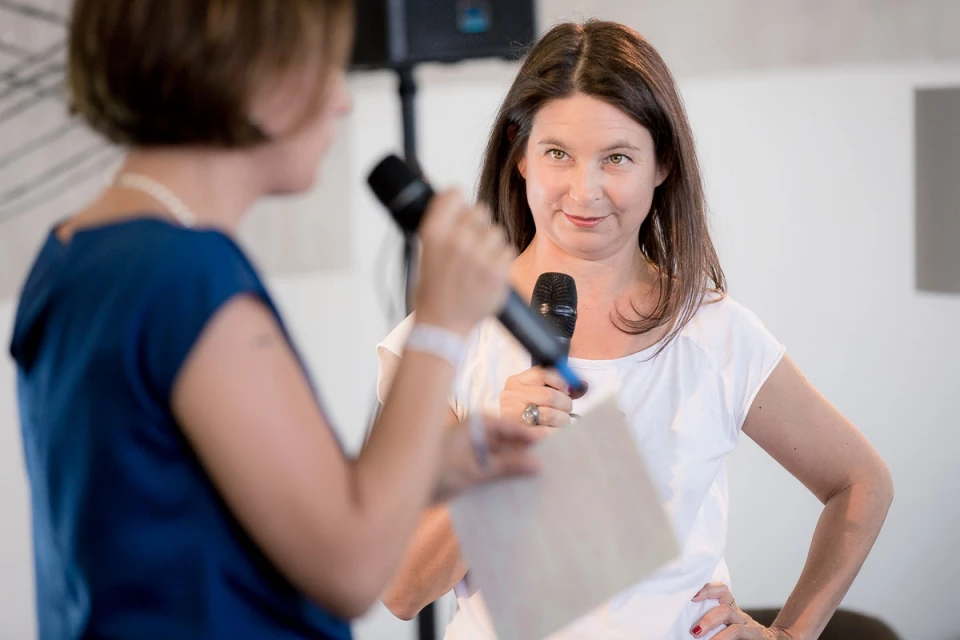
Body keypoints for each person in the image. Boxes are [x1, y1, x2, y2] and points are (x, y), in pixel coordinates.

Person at [7, 2, 544, 639]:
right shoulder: (186, 278)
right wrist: (439, 323)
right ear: (251, 76)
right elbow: (351, 566)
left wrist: (426, 469)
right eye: (325, 68)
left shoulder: (80, 249)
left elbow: (183, 504)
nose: (342, 103)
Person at [375, 20, 894, 640]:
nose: (584, 190)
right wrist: (496, 451)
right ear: (519, 154)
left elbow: (861, 483)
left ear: (662, 164)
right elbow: (404, 591)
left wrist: (788, 635)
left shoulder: (712, 332)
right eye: (557, 154)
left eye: (616, 158)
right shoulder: (439, 339)